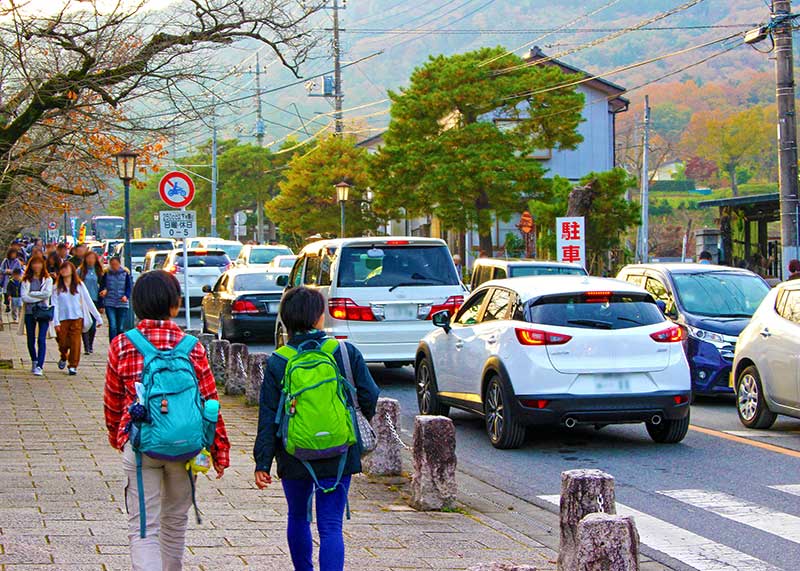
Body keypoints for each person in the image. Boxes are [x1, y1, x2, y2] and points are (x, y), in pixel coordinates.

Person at [104, 270, 230, 570]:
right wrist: (219, 450)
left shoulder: (122, 344)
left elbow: (113, 400)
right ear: (175, 306)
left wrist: (117, 437)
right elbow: (210, 400)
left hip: (142, 445)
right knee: (175, 526)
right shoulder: (192, 346)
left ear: (137, 304)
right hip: (186, 445)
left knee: (145, 529)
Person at [254, 287, 380, 571]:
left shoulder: (279, 360)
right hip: (339, 449)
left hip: (294, 451)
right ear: (318, 317)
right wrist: (350, 425)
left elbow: (268, 415)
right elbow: (369, 395)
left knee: (298, 516)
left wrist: (262, 461)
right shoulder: (344, 352)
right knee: (331, 525)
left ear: (286, 319)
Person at [52, 261, 102, 375]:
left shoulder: (79, 285)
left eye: (67, 268)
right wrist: (56, 322)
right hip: (62, 319)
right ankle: (64, 356)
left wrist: (98, 317)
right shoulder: (57, 287)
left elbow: (88, 301)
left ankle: (73, 365)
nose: (64, 271)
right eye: (62, 269)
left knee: (75, 343)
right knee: (62, 342)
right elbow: (54, 305)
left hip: (77, 318)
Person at [19, 254, 53, 376]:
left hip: (43, 311)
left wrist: (32, 294)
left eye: (39, 263)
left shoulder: (48, 279)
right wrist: (37, 296)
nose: (37, 266)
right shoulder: (26, 279)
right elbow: (24, 297)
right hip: (29, 312)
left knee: (42, 339)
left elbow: (47, 294)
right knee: (30, 338)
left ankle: (40, 365)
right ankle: (34, 360)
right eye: (34, 263)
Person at [77, 252, 105, 354]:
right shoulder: (80, 271)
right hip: (83, 300)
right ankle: (86, 346)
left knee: (92, 324)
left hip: (94, 300)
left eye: (92, 258)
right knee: (85, 323)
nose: (90, 260)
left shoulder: (99, 271)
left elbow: (102, 286)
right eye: (88, 258)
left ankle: (91, 344)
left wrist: (102, 303)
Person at [101, 256, 132, 341]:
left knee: (120, 327)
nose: (114, 266)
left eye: (116, 264)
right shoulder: (106, 273)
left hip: (122, 303)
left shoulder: (125, 273)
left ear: (119, 264)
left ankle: (120, 343)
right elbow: (102, 286)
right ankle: (113, 344)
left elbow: (129, 287)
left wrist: (126, 296)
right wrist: (104, 291)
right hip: (110, 302)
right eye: (112, 264)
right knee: (112, 325)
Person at [1, 247, 23, 312]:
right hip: (6, 279)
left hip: (15, 278)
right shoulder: (5, 261)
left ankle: (15, 307)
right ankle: (7, 305)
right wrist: (5, 271)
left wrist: (12, 272)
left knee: (14, 291)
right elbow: (1, 269)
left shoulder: (17, 262)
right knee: (6, 291)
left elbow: (19, 270)